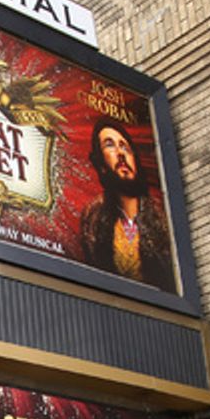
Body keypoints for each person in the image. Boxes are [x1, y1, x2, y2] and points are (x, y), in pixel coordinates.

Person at [80, 116, 174, 291]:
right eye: (110, 145)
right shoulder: (93, 219)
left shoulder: (162, 218)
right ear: (100, 164)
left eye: (125, 147)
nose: (120, 153)